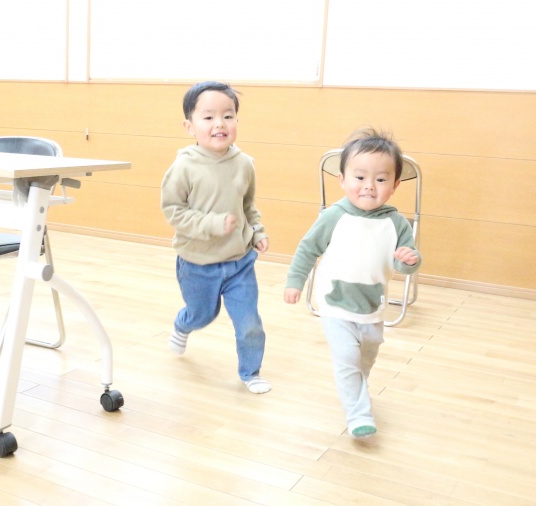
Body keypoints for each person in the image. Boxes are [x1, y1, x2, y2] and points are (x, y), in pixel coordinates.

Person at [283, 128, 421, 437]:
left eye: (381, 179)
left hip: (372, 306)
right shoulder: (334, 216)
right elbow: (307, 249)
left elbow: (404, 263)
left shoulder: (397, 223)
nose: (369, 186)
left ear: (395, 185)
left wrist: (409, 260)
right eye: (359, 177)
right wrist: (295, 281)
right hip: (334, 304)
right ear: (342, 180)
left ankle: (357, 387)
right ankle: (358, 414)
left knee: (366, 357)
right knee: (347, 358)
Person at [161, 81, 271, 394]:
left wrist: (257, 232)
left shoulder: (244, 163)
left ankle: (251, 372)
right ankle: (183, 324)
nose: (219, 124)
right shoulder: (183, 167)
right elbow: (173, 212)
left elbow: (248, 206)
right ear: (189, 126)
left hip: (239, 262)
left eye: (228, 116)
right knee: (202, 315)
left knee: (249, 322)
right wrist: (212, 224)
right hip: (197, 263)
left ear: (237, 120)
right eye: (208, 117)